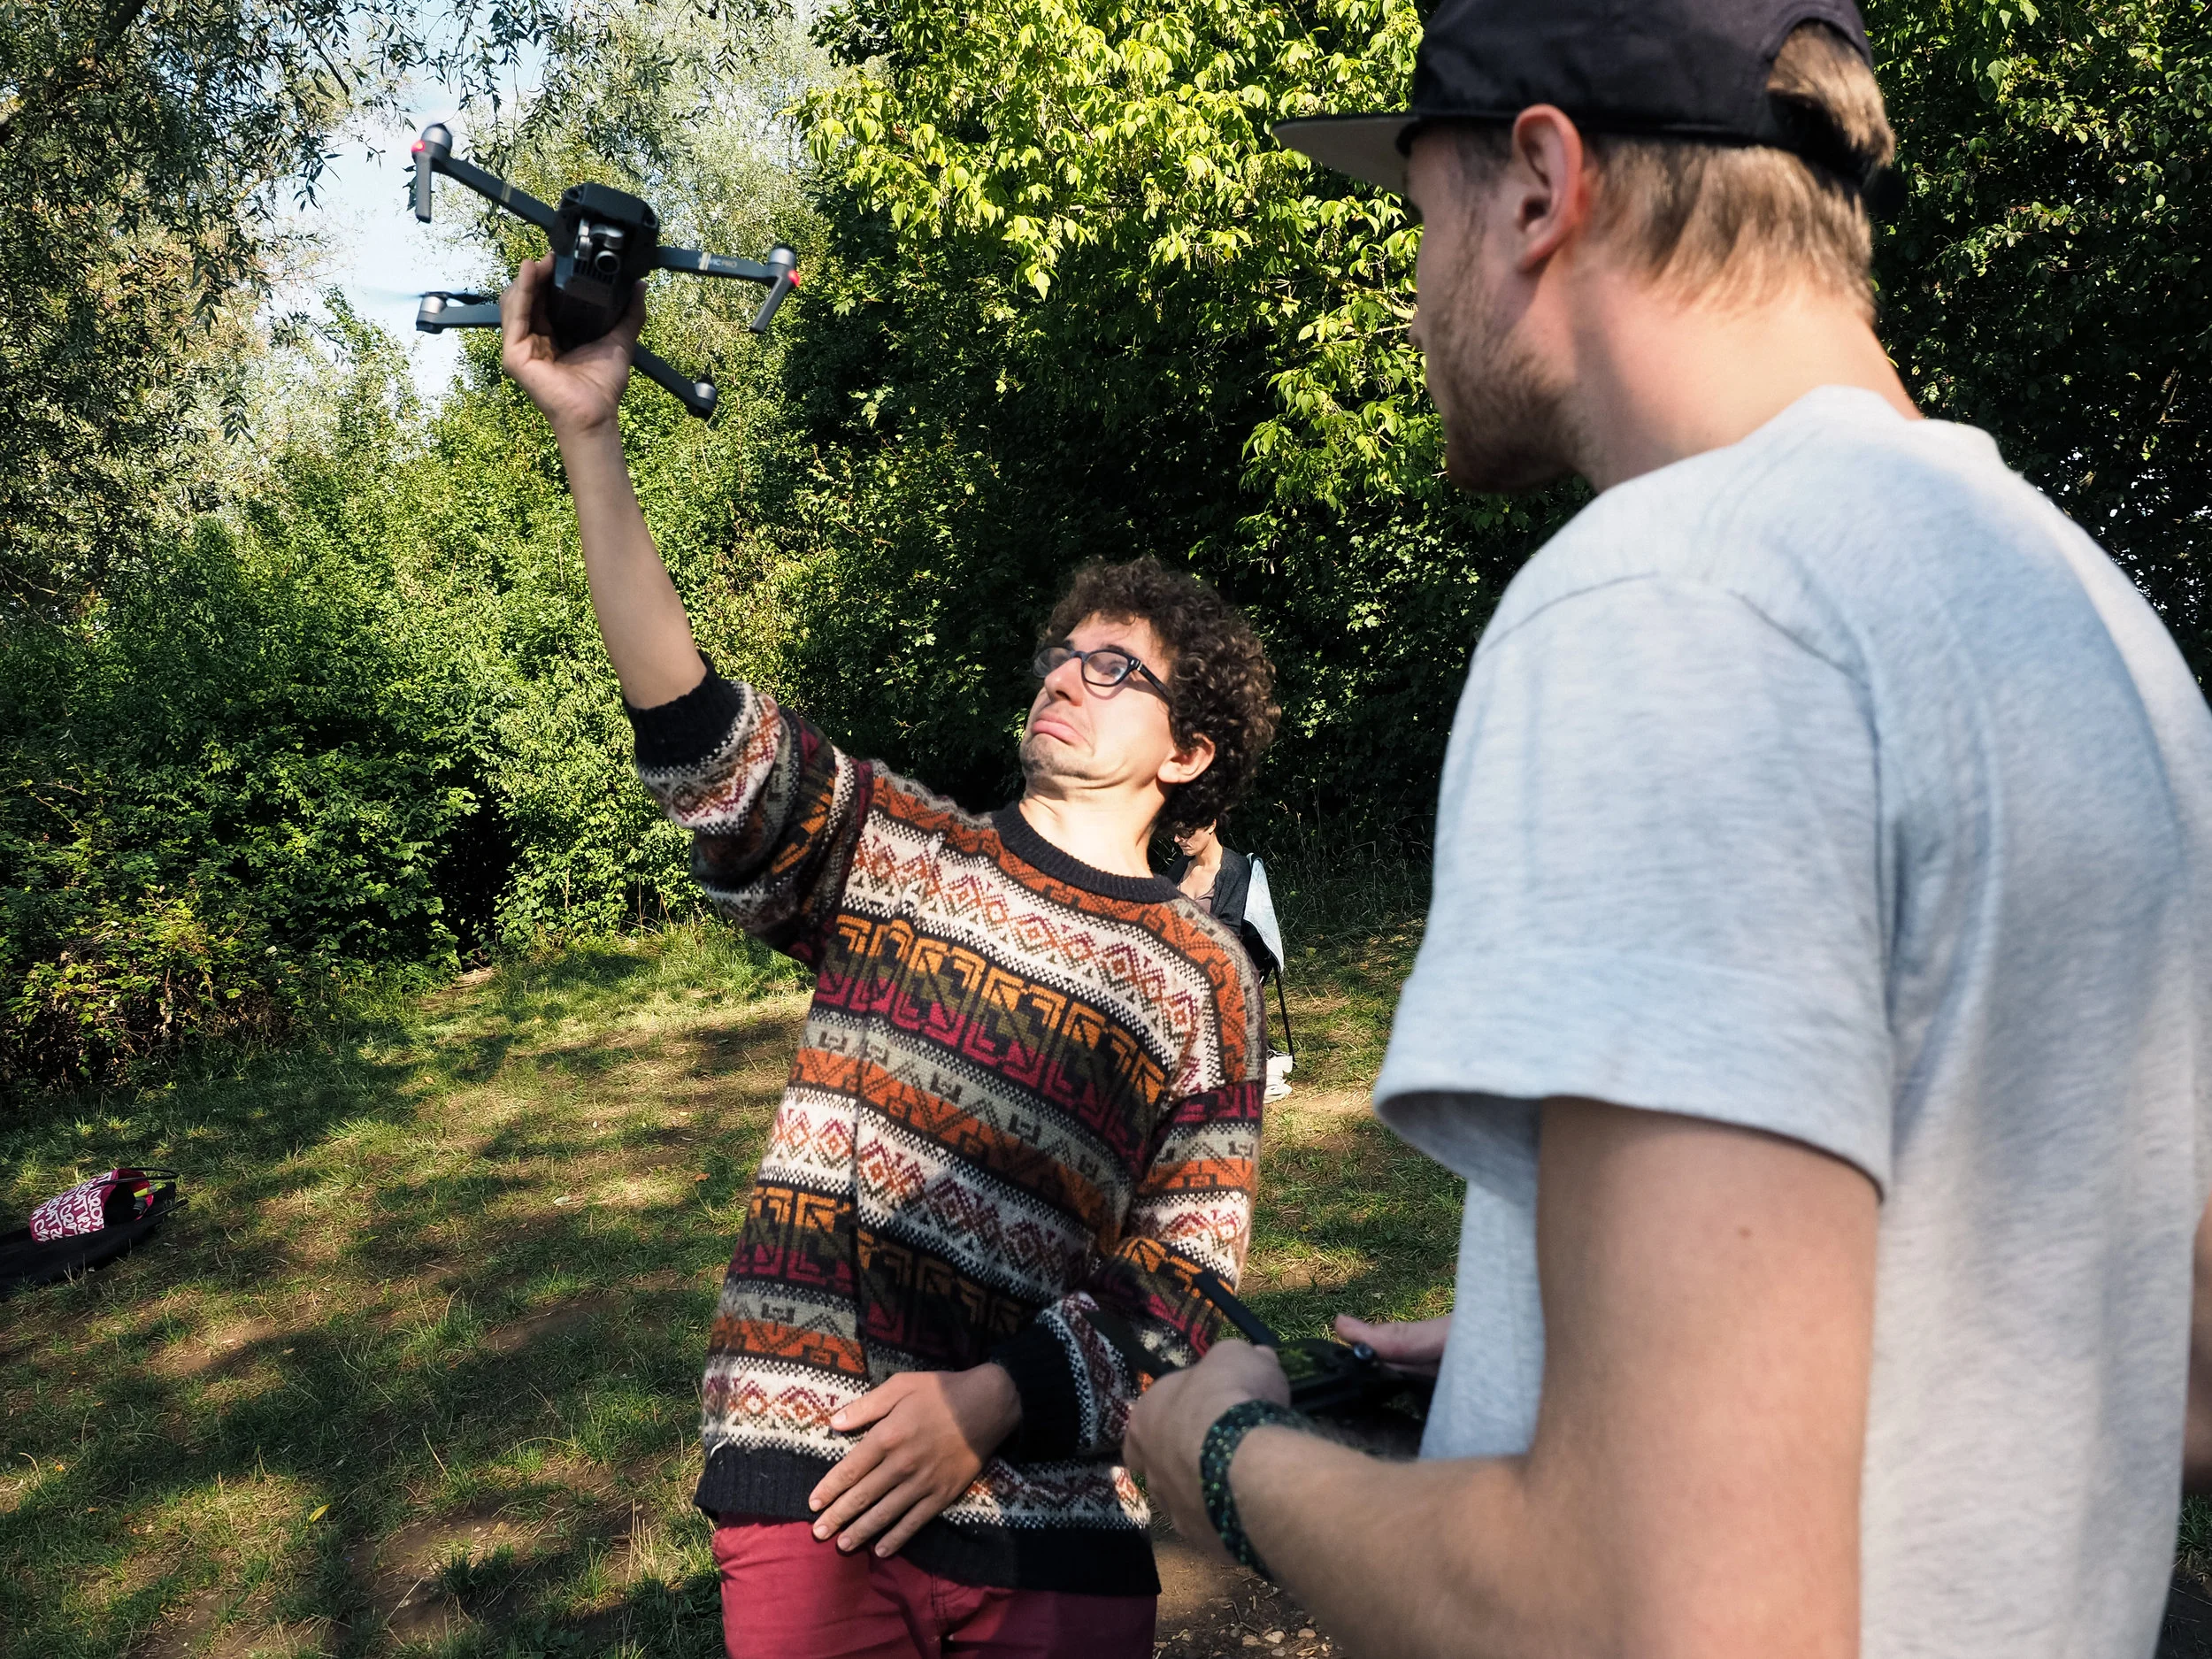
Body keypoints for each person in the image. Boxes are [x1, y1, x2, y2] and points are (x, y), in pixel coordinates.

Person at [1125, 0, 2212, 1655]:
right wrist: (1550, 1344)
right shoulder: (2097, 628)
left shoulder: (1675, 600)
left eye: (1419, 217)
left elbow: (1639, 1614)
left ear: (1541, 185)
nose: (1413, 290)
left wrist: (1223, 1453)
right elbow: (2175, 1360)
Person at [496, 265, 1281, 1658]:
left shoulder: (1204, 971)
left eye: (1115, 670)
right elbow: (703, 743)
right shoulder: (900, 848)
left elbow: (1186, 1277)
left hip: (1057, 1522)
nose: (1064, 677)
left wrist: (993, 1396)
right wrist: (592, 439)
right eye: (1061, 653)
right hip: (824, 1471)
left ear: (1189, 751)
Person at [1164, 821, 1294, 1102]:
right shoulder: (1180, 868)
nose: (1177, 839)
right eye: (1174, 832)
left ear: (1210, 824)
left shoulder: (1234, 870)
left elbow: (1228, 935)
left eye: (1185, 832)